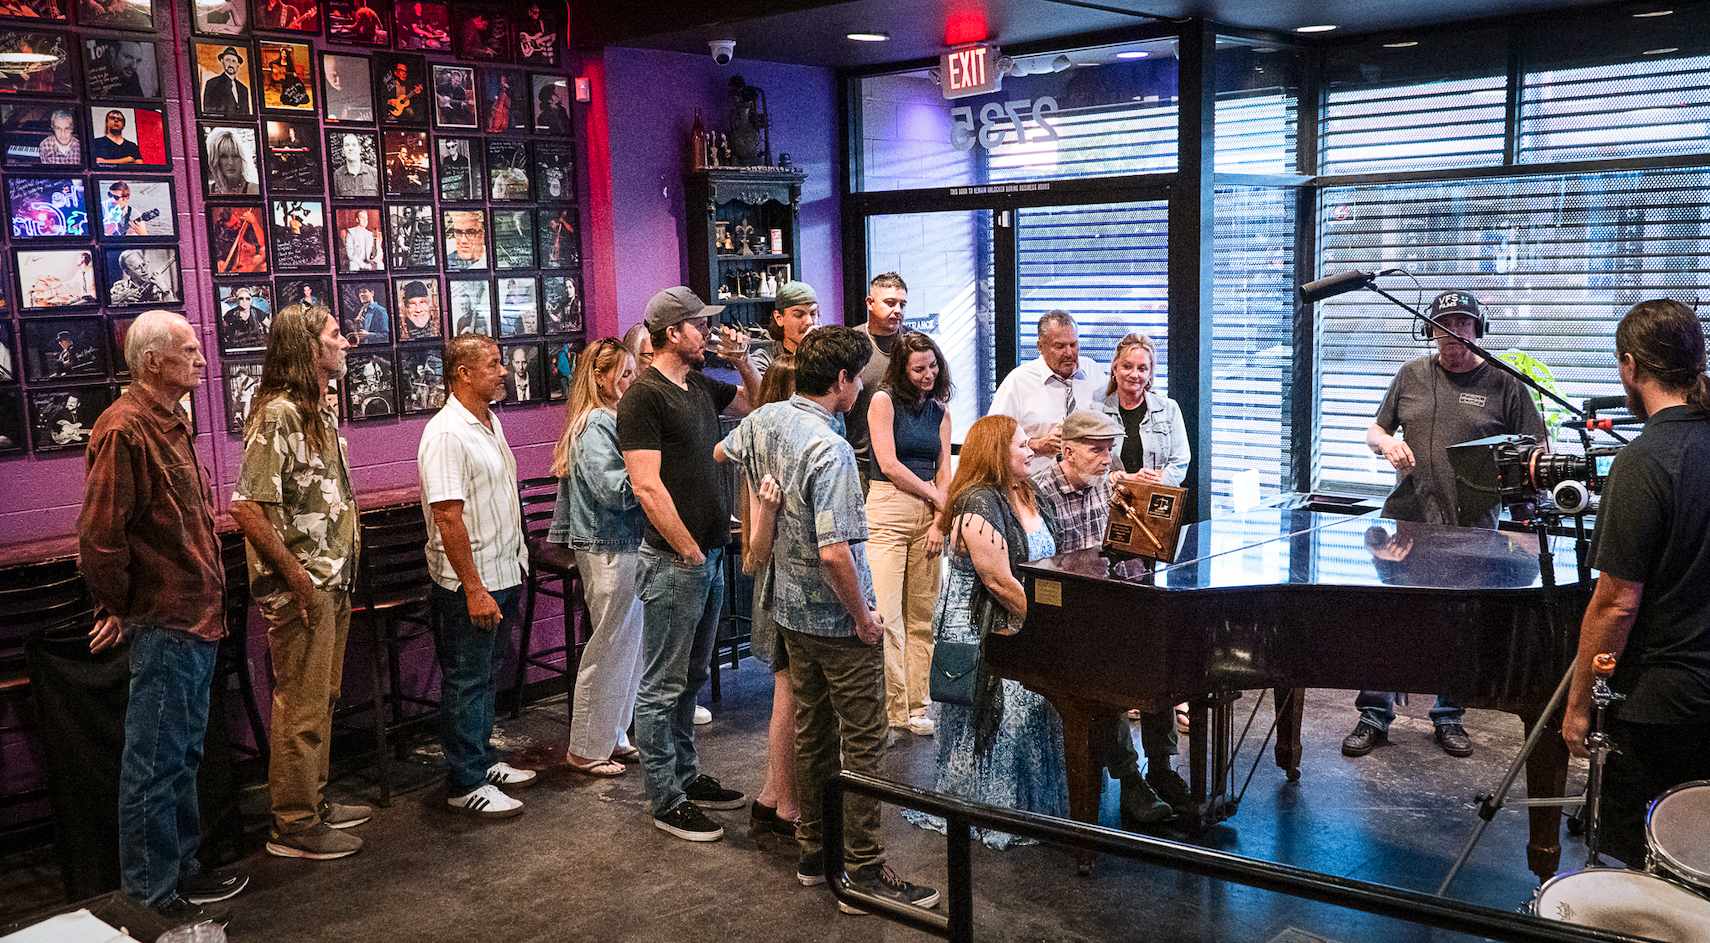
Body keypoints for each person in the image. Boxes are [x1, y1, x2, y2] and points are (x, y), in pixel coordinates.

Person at [717, 327, 939, 912]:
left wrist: (769, 495)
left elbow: (721, 452)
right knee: (863, 743)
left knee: (813, 734)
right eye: (857, 379)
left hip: (790, 612)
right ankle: (862, 871)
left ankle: (815, 853)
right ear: (841, 381)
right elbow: (835, 552)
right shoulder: (830, 448)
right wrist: (864, 618)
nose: (861, 389)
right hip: (837, 621)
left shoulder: (766, 419)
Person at [77, 311, 244, 927]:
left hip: (195, 618)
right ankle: (149, 896)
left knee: (183, 755)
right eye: (190, 349)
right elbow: (99, 538)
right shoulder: (124, 429)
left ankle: (181, 873)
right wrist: (119, 606)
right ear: (152, 361)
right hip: (165, 620)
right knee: (154, 764)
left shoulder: (170, 422)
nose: (202, 357)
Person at [1343, 290, 1547, 760]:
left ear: (1479, 329)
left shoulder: (1505, 384)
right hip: (1406, 525)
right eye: (1443, 325)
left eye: (1463, 324)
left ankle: (1449, 715)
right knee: (1387, 621)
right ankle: (1373, 714)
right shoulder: (1410, 375)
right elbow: (1375, 430)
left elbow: (1536, 451)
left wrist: (1523, 518)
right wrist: (1386, 444)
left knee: (1458, 628)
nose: (1453, 334)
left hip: (1471, 531)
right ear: (1429, 331)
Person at [1563, 299, 1710, 867]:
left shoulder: (1644, 460)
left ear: (1630, 365)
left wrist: (1578, 707)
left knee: (1649, 870)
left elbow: (1616, 604)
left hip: (1660, 709)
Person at [615, 286, 760, 841]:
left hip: (708, 554)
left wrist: (742, 360)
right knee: (663, 684)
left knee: (692, 676)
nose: (710, 331)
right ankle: (665, 797)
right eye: (700, 324)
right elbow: (646, 486)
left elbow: (756, 405)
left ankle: (686, 774)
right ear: (673, 332)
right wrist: (688, 549)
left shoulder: (698, 385)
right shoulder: (643, 397)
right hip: (677, 560)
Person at [230, 302, 370, 860]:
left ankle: (314, 800)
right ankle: (293, 822)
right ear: (309, 346)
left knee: (323, 698)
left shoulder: (319, 410)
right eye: (336, 334)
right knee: (302, 704)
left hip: (332, 577)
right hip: (303, 587)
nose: (346, 342)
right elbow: (246, 507)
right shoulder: (278, 414)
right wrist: (299, 581)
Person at [904, 414, 1067, 849]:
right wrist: (1046, 626)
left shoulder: (1028, 493)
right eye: (1022, 446)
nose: (1031, 450)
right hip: (985, 630)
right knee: (1007, 717)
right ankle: (993, 809)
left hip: (1024, 623)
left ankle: (1037, 810)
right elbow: (997, 580)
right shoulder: (978, 502)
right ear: (997, 453)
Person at [1031, 410, 1184, 824]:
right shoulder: (1040, 492)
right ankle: (1130, 778)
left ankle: (1162, 767)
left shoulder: (1106, 484)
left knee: (1159, 659)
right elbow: (1043, 565)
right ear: (1068, 452)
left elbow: (1118, 548)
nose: (1107, 459)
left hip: (1108, 603)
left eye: (1110, 449)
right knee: (1106, 673)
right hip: (1066, 612)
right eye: (1096, 450)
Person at [418, 334, 538, 817]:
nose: (503, 370)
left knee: (486, 675)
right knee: (467, 680)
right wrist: (473, 588)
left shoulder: (489, 421)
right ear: (463, 374)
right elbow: (448, 517)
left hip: (504, 571)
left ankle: (483, 761)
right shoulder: (447, 433)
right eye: (492, 364)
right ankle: (464, 781)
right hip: (473, 581)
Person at [549, 339, 646, 777]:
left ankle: (614, 735)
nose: (632, 381)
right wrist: (654, 474)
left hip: (625, 542)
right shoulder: (595, 424)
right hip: (608, 545)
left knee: (629, 643)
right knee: (608, 644)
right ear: (599, 377)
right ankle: (586, 748)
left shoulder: (611, 418)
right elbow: (614, 491)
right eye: (624, 374)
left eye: (632, 372)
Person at [721, 354, 801, 839]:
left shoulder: (772, 450)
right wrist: (769, 511)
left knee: (792, 699)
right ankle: (786, 805)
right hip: (779, 589)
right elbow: (755, 551)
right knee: (787, 698)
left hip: (787, 588)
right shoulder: (762, 461)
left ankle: (771, 797)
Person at [866, 331, 951, 738]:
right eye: (918, 369)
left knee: (923, 617)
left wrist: (940, 520)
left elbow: (945, 469)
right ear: (901, 370)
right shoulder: (882, 401)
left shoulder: (940, 410)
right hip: (889, 506)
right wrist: (935, 497)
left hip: (929, 513)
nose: (928, 375)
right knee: (888, 615)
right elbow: (888, 464)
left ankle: (919, 705)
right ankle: (893, 708)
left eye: (933, 366)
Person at [991, 310, 1109, 477]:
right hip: (1036, 484)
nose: (1069, 353)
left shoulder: (1093, 372)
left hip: (1090, 483)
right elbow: (993, 440)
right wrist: (1038, 445)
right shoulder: (1017, 382)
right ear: (1040, 346)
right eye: (1059, 346)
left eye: (1073, 344)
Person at [1099, 333, 1190, 489]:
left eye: (1142, 369)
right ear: (1115, 369)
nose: (1134, 374)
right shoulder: (1098, 413)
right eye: (1127, 366)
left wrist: (1156, 480)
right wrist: (1114, 479)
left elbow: (1180, 463)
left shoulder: (1169, 409)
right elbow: (1089, 469)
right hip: (1112, 499)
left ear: (1149, 374)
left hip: (1156, 498)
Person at [847, 273, 907, 484]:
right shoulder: (850, 343)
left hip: (905, 462)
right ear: (870, 303)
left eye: (902, 304)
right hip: (860, 463)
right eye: (890, 303)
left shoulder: (914, 346)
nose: (898, 310)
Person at [750, 281, 818, 377]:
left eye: (813, 314)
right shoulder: (765, 357)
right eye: (798, 315)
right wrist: (801, 352)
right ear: (779, 318)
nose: (809, 322)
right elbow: (762, 386)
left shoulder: (826, 354)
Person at [202, 46, 252, 116]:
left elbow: (247, 116)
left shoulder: (243, 89)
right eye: (227, 60)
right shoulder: (212, 84)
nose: (231, 64)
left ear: (238, 65)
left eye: (234, 61)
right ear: (222, 62)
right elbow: (209, 113)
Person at [205, 129, 256, 195]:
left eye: (235, 156)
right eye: (224, 157)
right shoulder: (208, 190)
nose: (231, 163)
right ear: (216, 160)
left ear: (242, 158)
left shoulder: (254, 190)